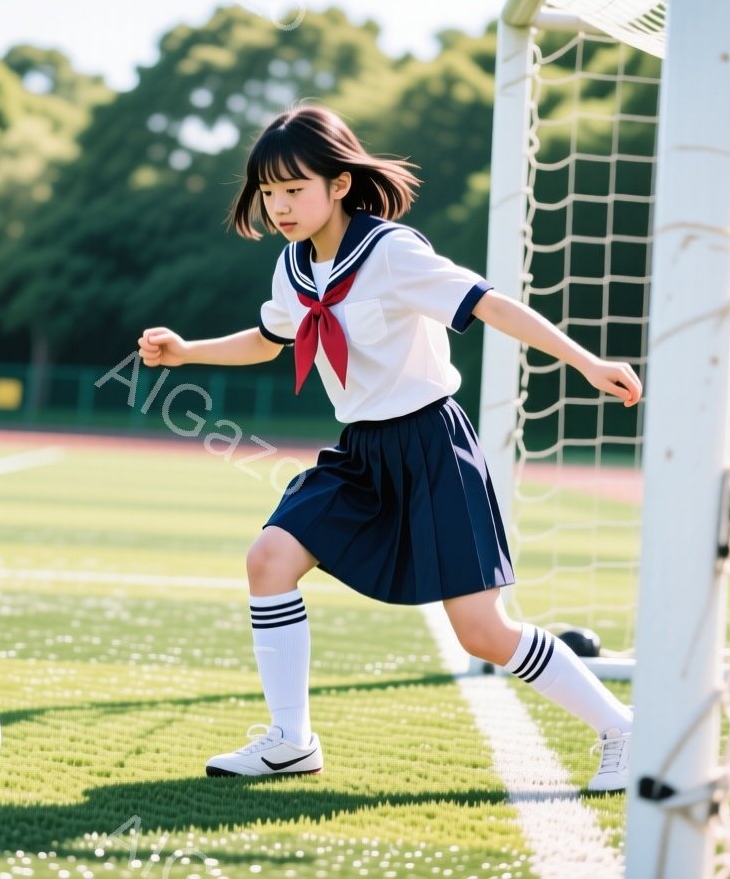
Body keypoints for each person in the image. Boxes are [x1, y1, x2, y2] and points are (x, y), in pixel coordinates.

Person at [136, 104, 642, 792]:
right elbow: (270, 338)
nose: (280, 206)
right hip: (360, 455)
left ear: (339, 184)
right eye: (269, 192)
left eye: (295, 189)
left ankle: (624, 731)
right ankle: (291, 739)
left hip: (432, 447)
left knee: (483, 633)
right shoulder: (292, 268)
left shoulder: (393, 252)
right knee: (269, 559)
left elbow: (489, 304)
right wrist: (187, 352)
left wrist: (583, 361)